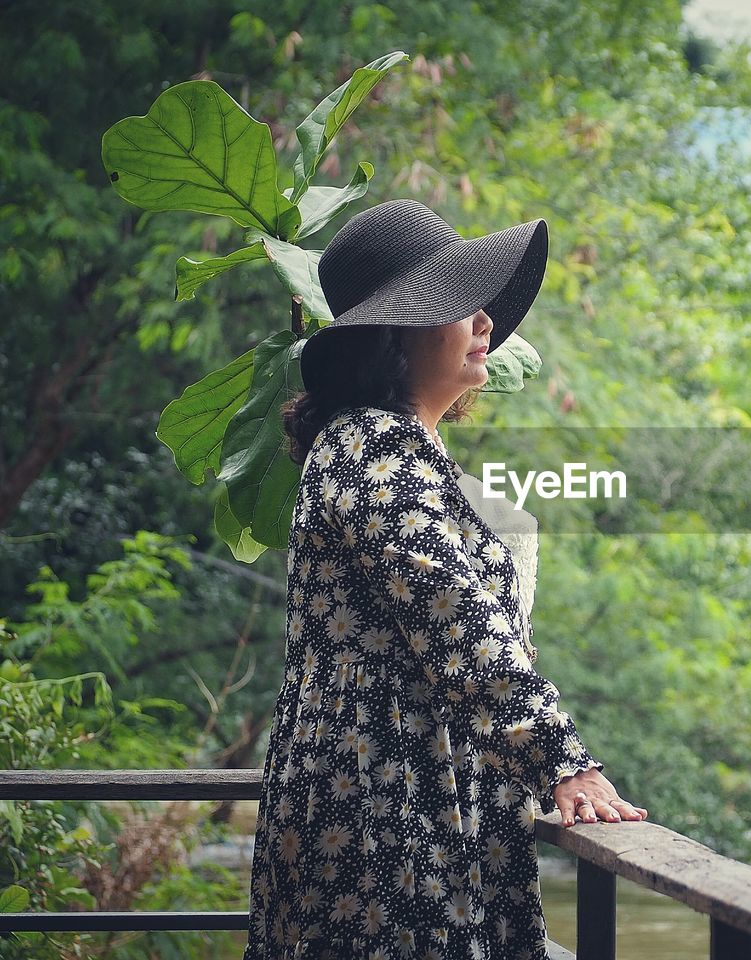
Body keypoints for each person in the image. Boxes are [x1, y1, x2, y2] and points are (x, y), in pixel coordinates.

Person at [242, 199, 647, 960]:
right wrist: (564, 760)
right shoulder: (370, 447)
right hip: (382, 800)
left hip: (405, 783)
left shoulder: (392, 448)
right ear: (399, 332)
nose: (486, 321)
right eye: (463, 304)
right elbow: (457, 619)